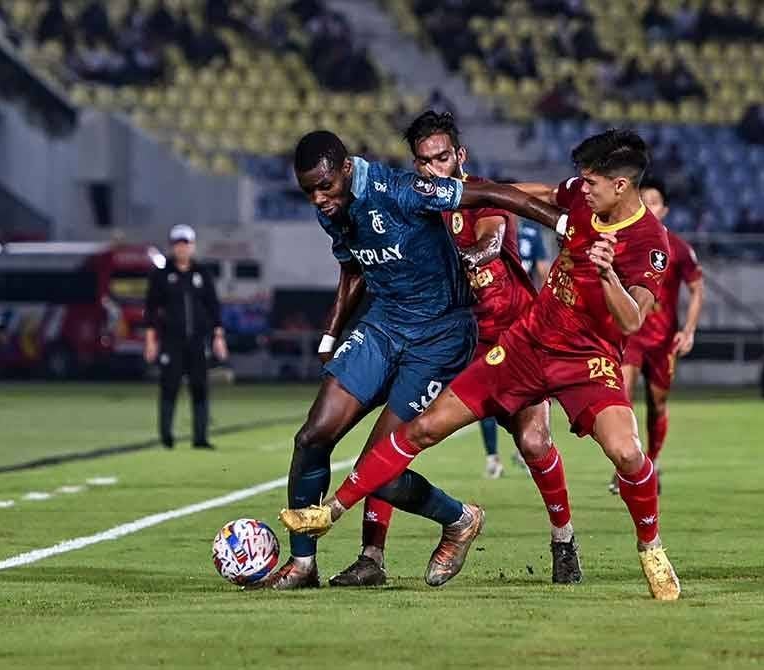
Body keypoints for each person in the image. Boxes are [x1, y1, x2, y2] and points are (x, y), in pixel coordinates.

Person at [281, 129, 682, 600]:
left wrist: (607, 274)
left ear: (620, 186)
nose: (581, 188)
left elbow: (631, 319)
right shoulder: (572, 197)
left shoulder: (649, 243)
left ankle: (639, 546)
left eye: (591, 182)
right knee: (419, 429)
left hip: (585, 357)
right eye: (423, 160)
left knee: (618, 452)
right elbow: (542, 194)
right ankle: (344, 526)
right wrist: (535, 212)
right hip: (523, 343)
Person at [258, 130, 568, 590]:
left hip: (440, 335)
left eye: (324, 187)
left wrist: (562, 223)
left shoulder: (402, 190)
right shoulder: (334, 209)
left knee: (378, 469)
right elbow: (353, 266)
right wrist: (331, 330)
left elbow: (493, 193)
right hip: (384, 324)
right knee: (312, 435)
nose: (318, 199)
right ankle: (304, 564)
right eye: (309, 191)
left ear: (346, 168)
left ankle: (459, 519)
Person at [610, 178, 704, 495]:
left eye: (655, 202)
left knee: (657, 404)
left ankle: (653, 459)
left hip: (662, 340)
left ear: (664, 209)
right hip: (631, 335)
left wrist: (688, 330)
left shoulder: (678, 247)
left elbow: (696, 289)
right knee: (621, 397)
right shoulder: (623, 240)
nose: (649, 206)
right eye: (644, 200)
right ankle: (625, 465)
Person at [144, 224, 228, 449]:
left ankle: (200, 437)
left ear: (192, 246)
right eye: (178, 244)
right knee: (169, 386)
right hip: (171, 341)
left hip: (198, 341)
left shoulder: (202, 273)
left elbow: (213, 307)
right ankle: (166, 437)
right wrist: (151, 341)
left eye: (186, 244)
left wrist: (218, 337)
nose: (182, 249)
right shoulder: (162, 276)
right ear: (172, 246)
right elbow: (151, 309)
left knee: (200, 387)